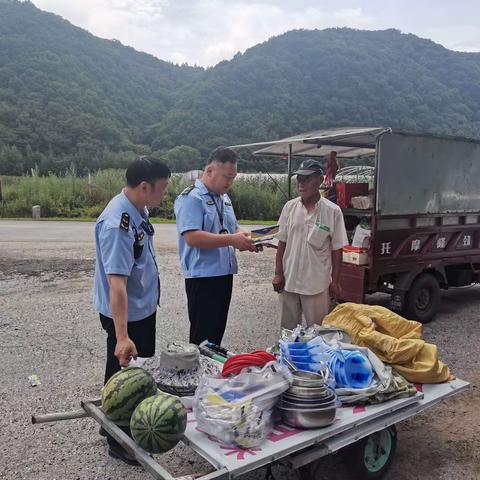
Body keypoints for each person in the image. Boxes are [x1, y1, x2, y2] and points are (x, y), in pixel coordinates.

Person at [93, 156, 170, 465]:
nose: (165, 194)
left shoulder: (138, 209)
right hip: (127, 314)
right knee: (129, 377)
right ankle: (119, 440)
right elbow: (117, 285)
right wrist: (123, 336)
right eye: (162, 189)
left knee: (122, 373)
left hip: (141, 308)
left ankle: (109, 426)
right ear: (143, 187)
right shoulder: (117, 224)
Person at [174, 146, 257, 346]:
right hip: (203, 278)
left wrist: (249, 238)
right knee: (202, 338)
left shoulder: (223, 198)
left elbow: (231, 229)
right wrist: (232, 240)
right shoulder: (191, 198)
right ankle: (197, 376)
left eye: (233, 177)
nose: (230, 182)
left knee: (216, 335)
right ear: (209, 171)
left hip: (223, 275)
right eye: (227, 177)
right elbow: (192, 237)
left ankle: (212, 374)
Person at [272, 158, 348, 329]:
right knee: (287, 333)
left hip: (316, 284)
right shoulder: (289, 208)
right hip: (289, 281)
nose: (301, 183)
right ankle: (288, 356)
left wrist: (335, 282)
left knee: (317, 334)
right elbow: (282, 242)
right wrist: (278, 273)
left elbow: (337, 249)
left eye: (307, 179)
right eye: (299, 179)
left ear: (320, 180)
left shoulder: (332, 211)